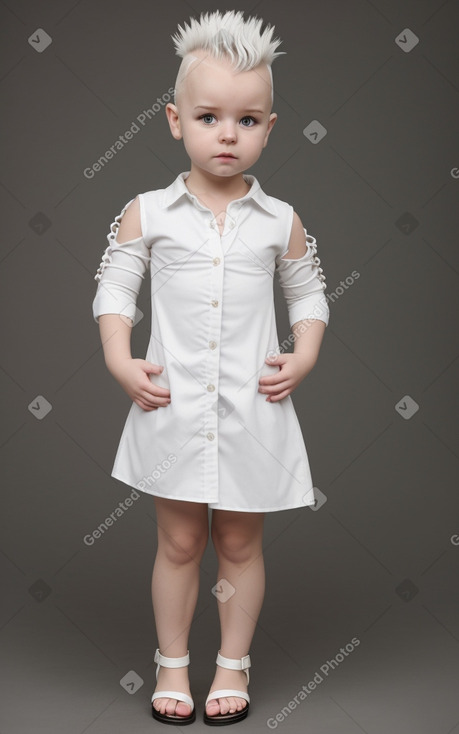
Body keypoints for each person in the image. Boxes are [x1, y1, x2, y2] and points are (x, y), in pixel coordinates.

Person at [92, 9, 330, 727]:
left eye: (247, 120)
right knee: (179, 539)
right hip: (172, 405)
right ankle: (171, 662)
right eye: (208, 116)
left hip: (251, 409)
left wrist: (306, 351)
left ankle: (233, 661)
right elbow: (113, 288)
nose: (227, 134)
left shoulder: (277, 219)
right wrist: (118, 359)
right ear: (174, 121)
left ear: (268, 127)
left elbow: (308, 292)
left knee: (237, 540)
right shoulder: (147, 212)